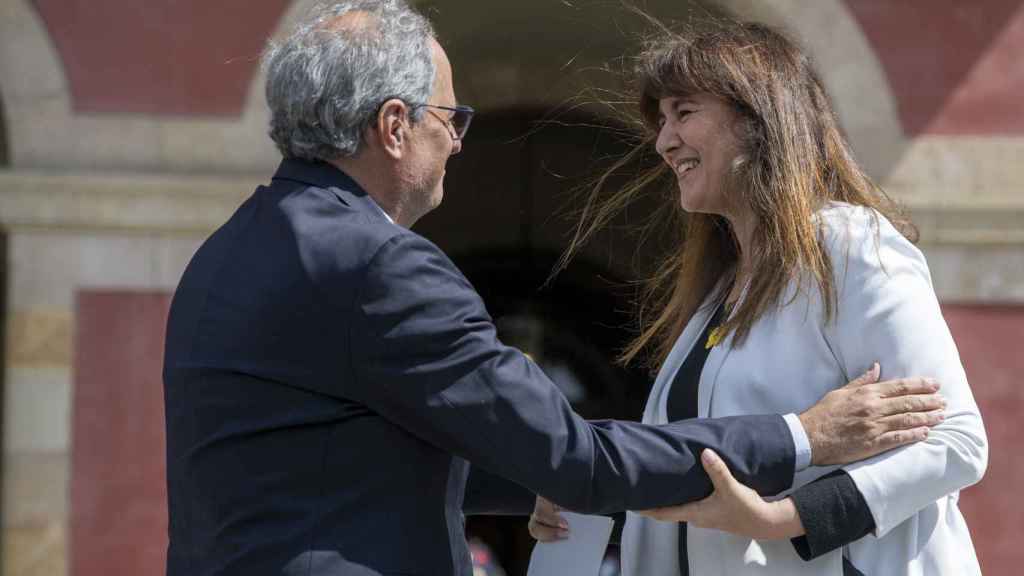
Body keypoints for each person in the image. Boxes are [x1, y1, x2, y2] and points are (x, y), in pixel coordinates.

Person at [161, 3, 948, 575]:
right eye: (450, 116)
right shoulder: (377, 267)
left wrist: (521, 480)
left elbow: (340, 451)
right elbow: (578, 457)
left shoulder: (230, 251)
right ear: (395, 127)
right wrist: (803, 436)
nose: (459, 140)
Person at [529, 18, 987, 576]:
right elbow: (710, 486)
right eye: (662, 119)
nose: (663, 140)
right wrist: (593, 497)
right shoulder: (720, 294)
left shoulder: (850, 247)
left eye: (684, 112)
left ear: (757, 118)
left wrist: (784, 519)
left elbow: (957, 441)